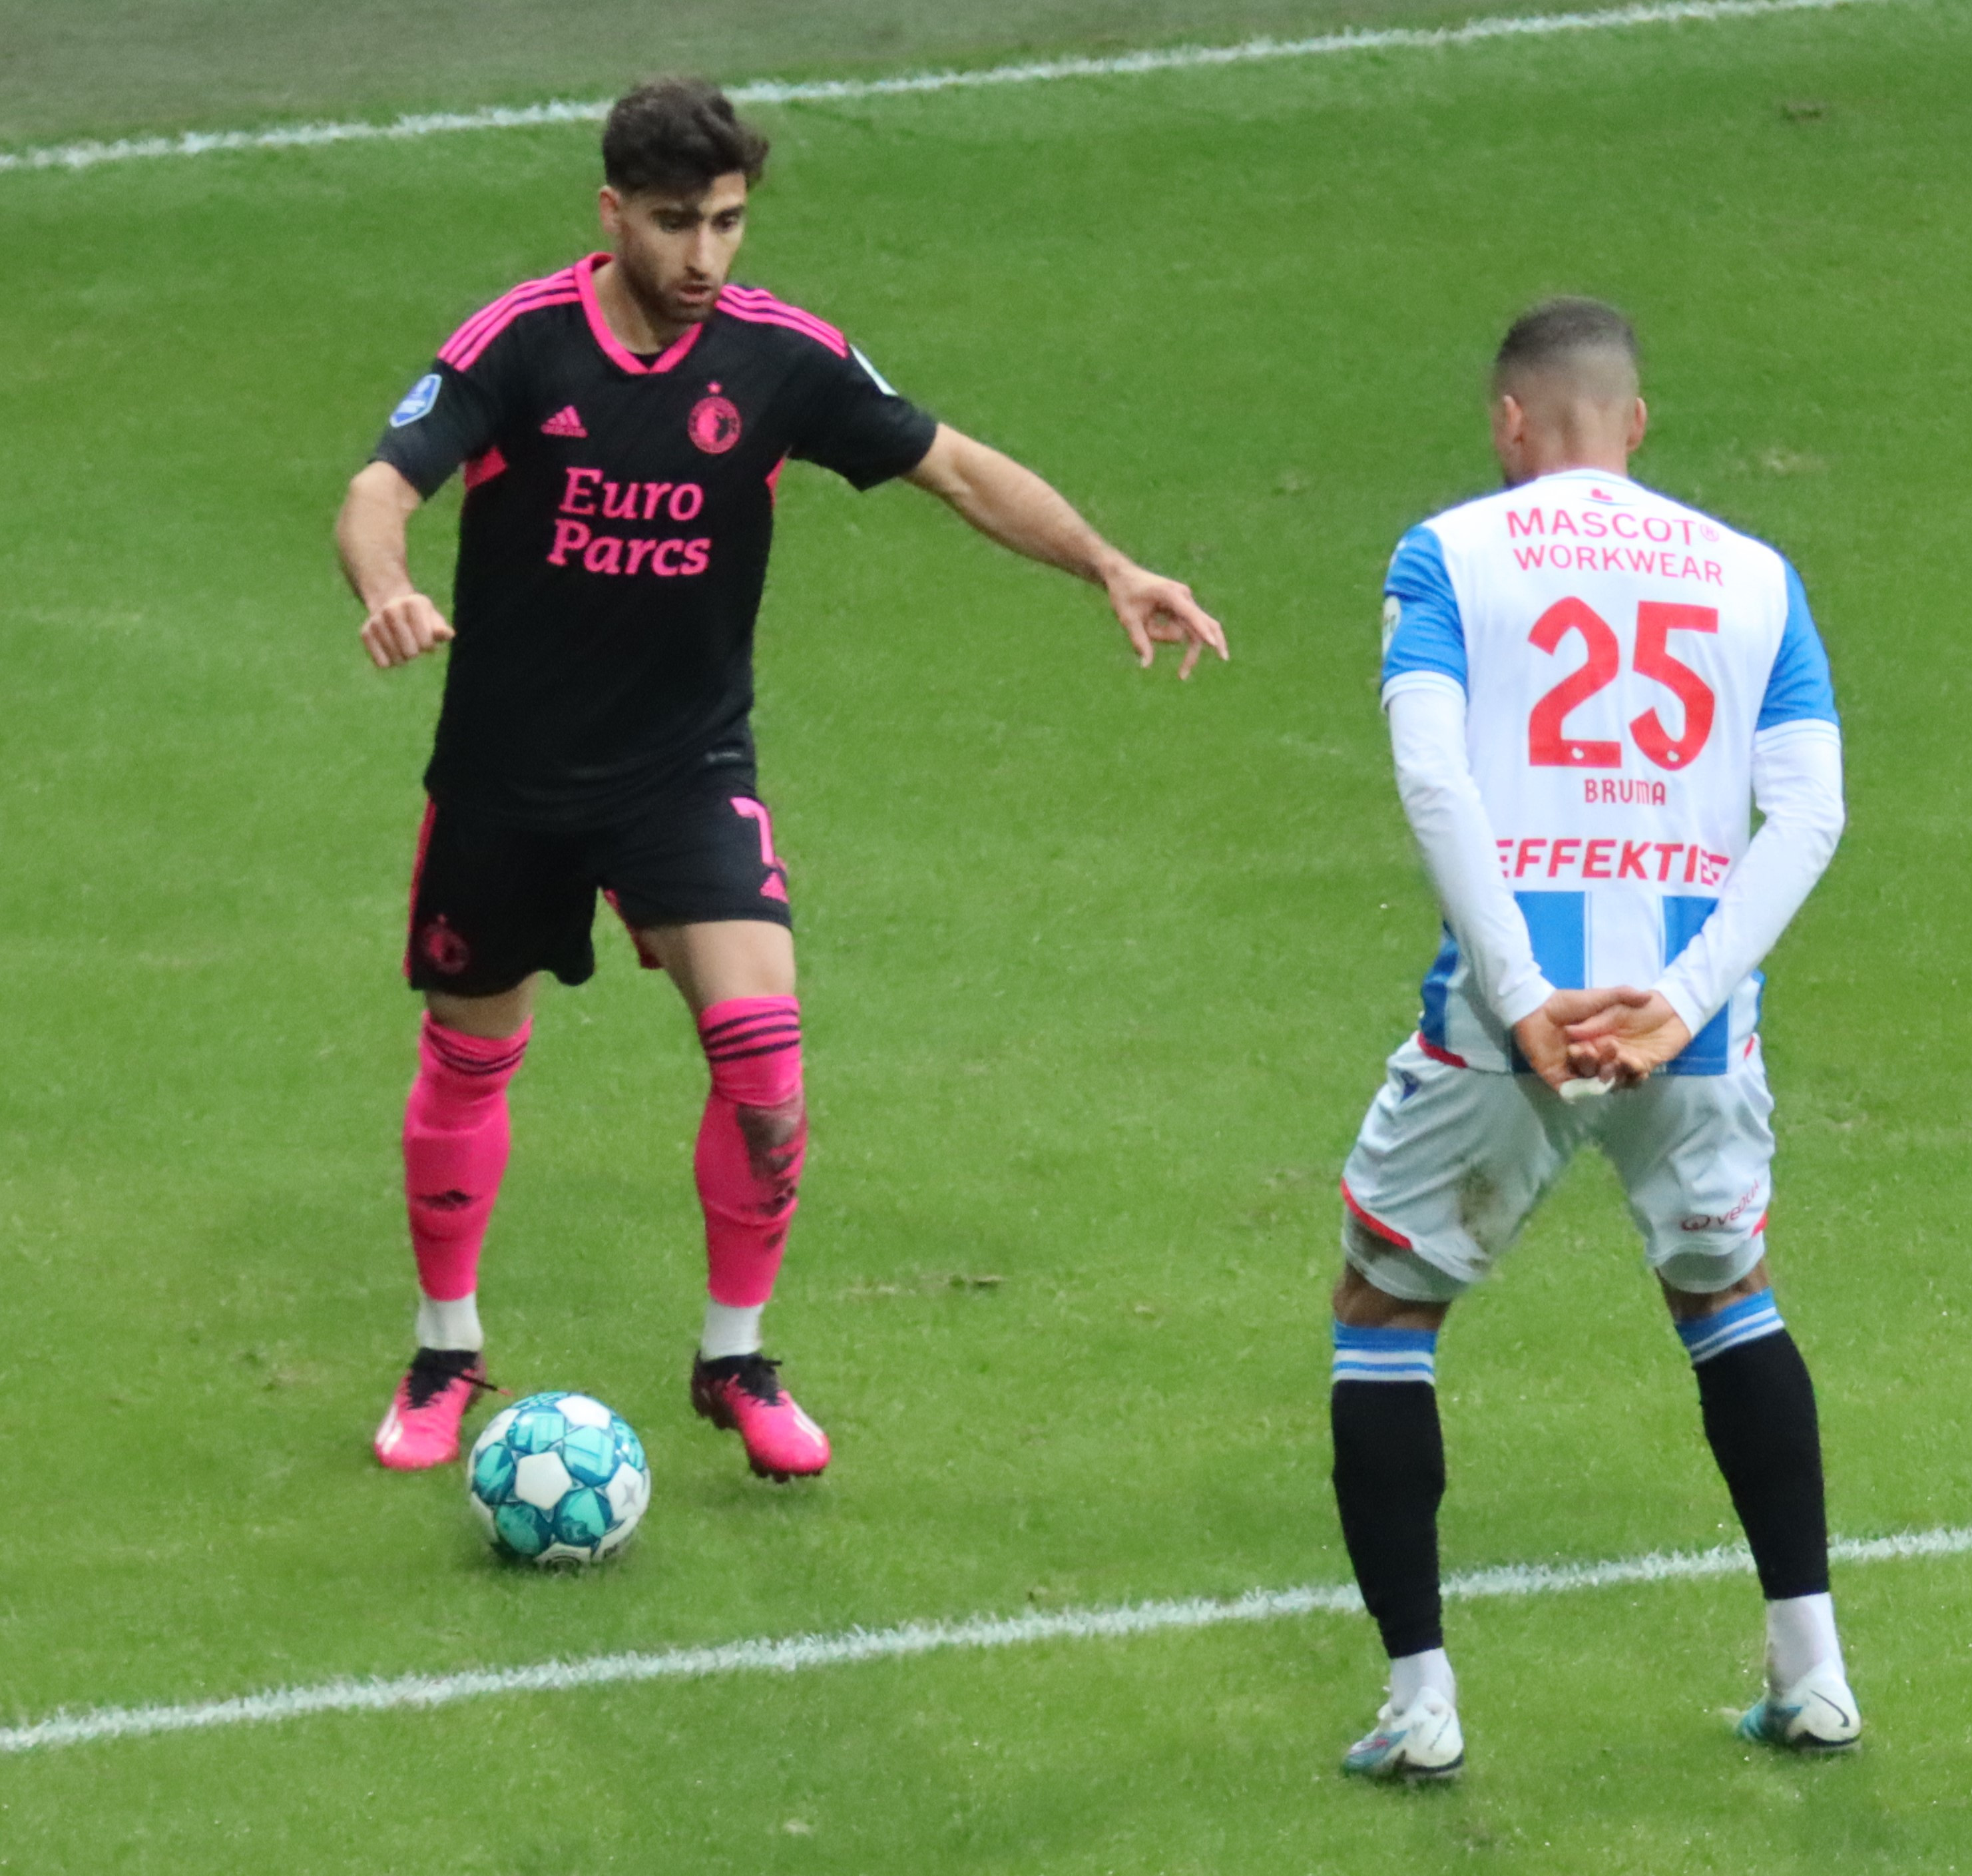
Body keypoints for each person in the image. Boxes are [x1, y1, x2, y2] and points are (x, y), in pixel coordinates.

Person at [338, 77, 1226, 1485]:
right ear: (613, 212)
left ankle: (736, 1357)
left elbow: (957, 468)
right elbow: (381, 488)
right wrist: (386, 589)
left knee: (766, 1061)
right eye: (679, 224)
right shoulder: (520, 345)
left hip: (685, 772)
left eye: (731, 224)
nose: (706, 258)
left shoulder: (779, 359)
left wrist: (1110, 562)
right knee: (468, 1052)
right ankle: (447, 1349)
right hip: (509, 781)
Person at [1328, 298, 1852, 1780]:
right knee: (1727, 1290)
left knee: (1382, 1315)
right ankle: (1813, 1672)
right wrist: (1684, 996)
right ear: (1634, 424)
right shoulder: (1757, 575)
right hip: (1691, 1034)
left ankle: (1422, 1705)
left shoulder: (1447, 552)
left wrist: (1516, 989)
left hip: (1511, 1030)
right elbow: (1810, 812)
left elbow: (1435, 781)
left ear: (1510, 422)